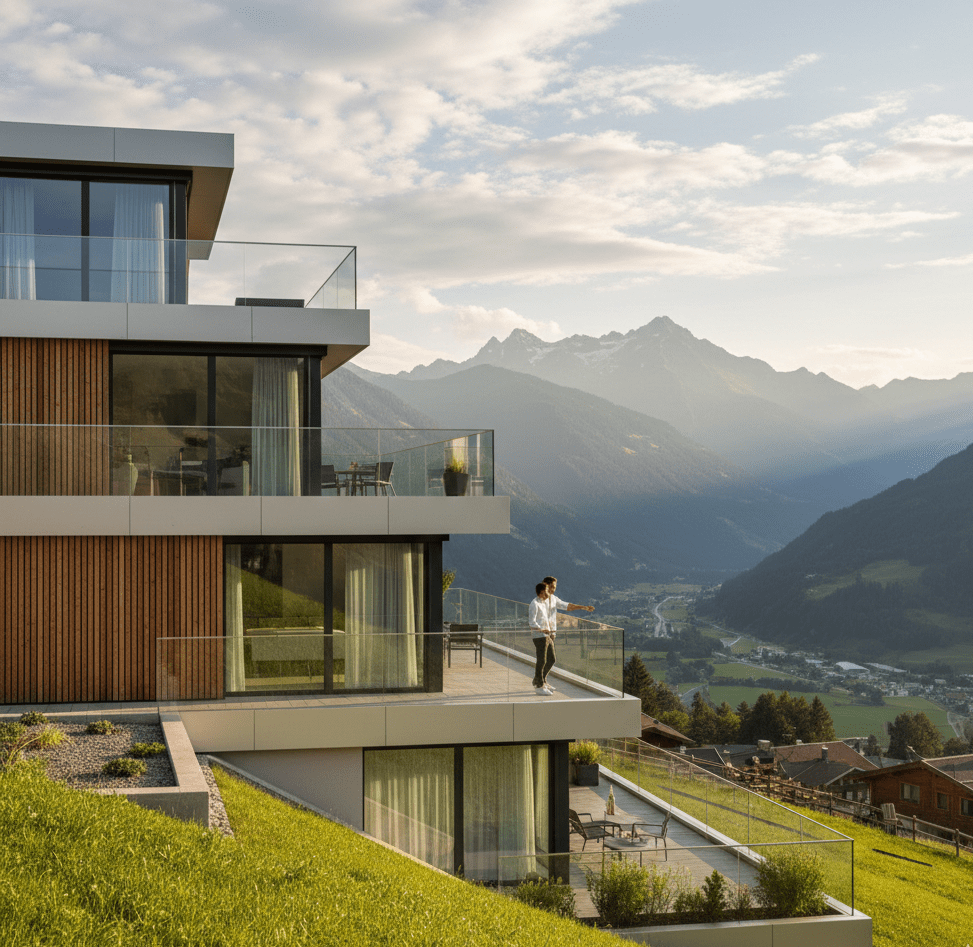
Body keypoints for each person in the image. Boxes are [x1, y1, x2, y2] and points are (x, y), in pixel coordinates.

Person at [529, 582, 555, 696]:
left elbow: (544, 619)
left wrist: (550, 630)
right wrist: (542, 630)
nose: (548, 593)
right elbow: (532, 622)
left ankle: (541, 680)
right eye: (546, 591)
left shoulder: (543, 603)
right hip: (539, 636)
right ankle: (539, 686)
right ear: (541, 592)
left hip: (547, 636)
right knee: (542, 660)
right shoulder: (534, 604)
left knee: (552, 659)